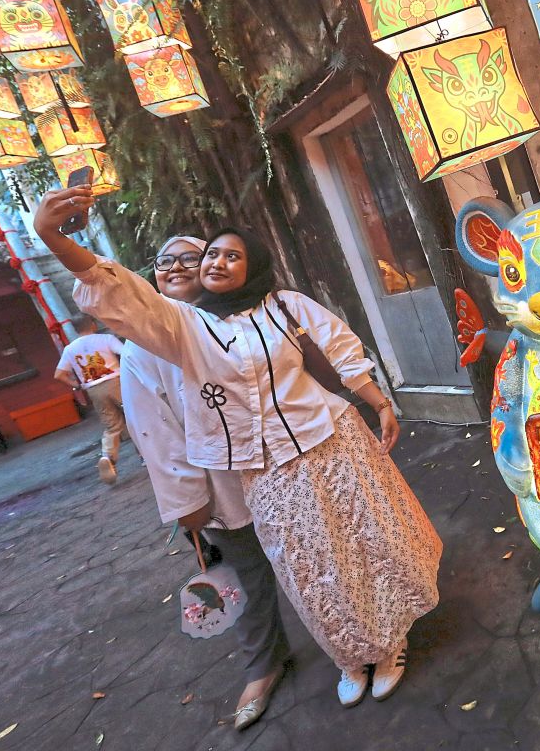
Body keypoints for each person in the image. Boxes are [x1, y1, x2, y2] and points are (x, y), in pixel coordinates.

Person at [34, 187, 442, 708]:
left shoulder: (286, 305)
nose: (216, 262)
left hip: (330, 442)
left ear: (253, 267)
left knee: (360, 547)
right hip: (264, 470)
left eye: (231, 254)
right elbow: (119, 292)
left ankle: (389, 644)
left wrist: (380, 402)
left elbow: (340, 347)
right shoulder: (185, 327)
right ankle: (348, 654)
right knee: (306, 568)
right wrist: (49, 236)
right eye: (210, 255)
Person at [120, 235, 290, 730]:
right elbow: (154, 428)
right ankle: (264, 664)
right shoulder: (142, 344)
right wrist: (187, 500)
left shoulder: (246, 316)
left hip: (282, 465)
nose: (174, 267)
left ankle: (356, 635)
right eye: (163, 260)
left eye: (188, 258)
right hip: (218, 484)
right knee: (247, 575)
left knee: (317, 557)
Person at [54, 315, 126, 484]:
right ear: (93, 324)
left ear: (75, 329)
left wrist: (76, 386)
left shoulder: (70, 349)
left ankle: (108, 457)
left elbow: (59, 375)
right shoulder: (105, 338)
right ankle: (146, 456)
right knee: (135, 418)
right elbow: (127, 354)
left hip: (93, 389)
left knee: (112, 426)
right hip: (117, 383)